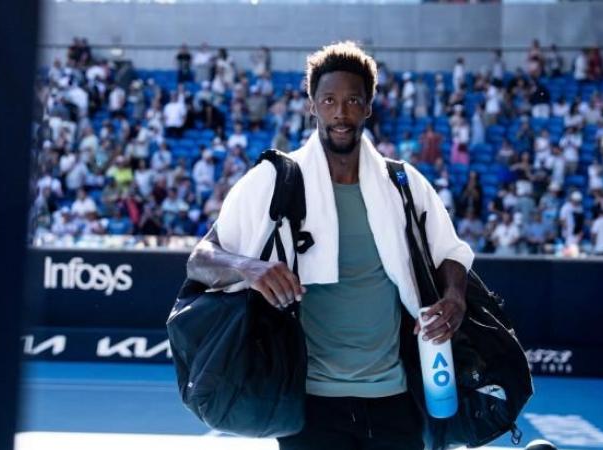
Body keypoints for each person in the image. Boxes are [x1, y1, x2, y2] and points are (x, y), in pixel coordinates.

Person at [185, 41, 473, 450]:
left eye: (353, 100)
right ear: (312, 106)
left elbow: (450, 252)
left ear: (369, 107)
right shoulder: (274, 180)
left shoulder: (402, 183)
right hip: (309, 406)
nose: (341, 113)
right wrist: (250, 267)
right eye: (329, 100)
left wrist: (455, 297)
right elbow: (201, 261)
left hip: (395, 401)